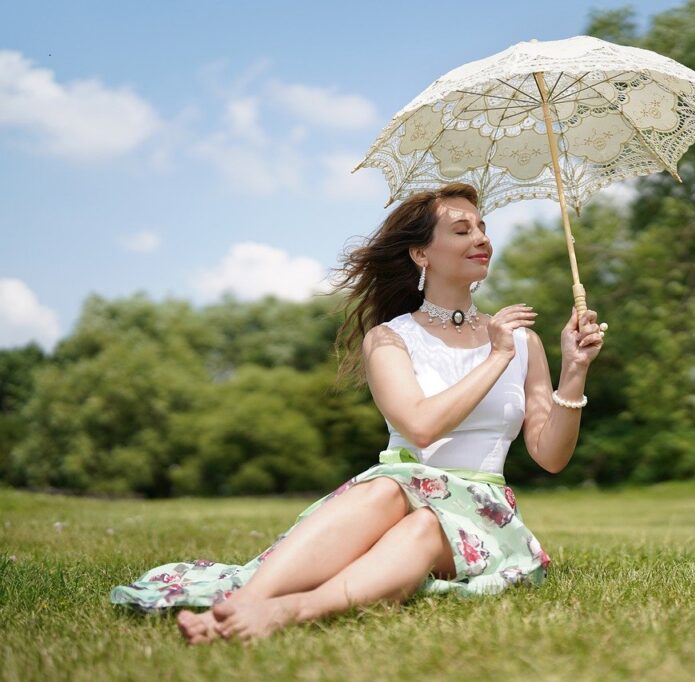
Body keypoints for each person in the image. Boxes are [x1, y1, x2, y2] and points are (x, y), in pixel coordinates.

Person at [109, 182, 606, 643]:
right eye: (462, 230)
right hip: (394, 494)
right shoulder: (389, 339)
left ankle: (288, 612)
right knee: (390, 488)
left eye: (482, 228)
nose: (481, 239)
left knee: (424, 527)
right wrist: (494, 357)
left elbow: (550, 455)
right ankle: (242, 604)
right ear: (420, 253)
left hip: (478, 512)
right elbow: (420, 426)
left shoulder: (522, 342)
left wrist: (575, 371)